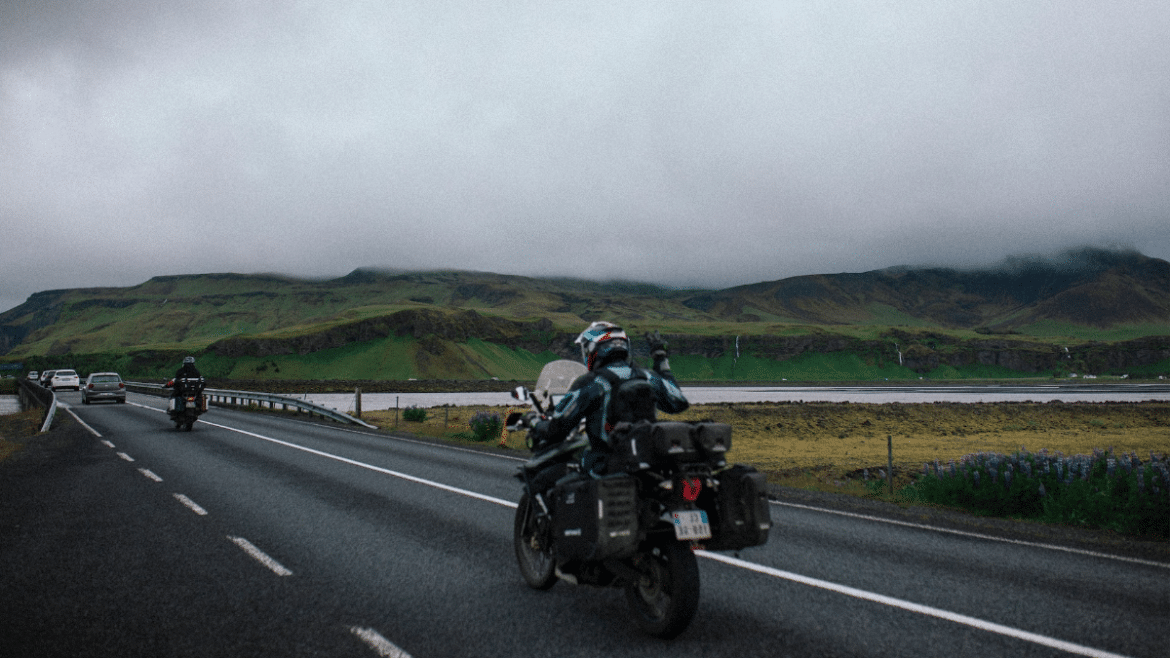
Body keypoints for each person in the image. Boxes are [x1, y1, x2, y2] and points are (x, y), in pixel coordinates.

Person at [529, 321, 689, 478]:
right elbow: (678, 402)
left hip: (604, 468)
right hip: (649, 463)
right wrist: (661, 360)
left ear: (593, 349)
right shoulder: (648, 377)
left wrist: (534, 422)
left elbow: (558, 428)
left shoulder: (593, 382)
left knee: (555, 483)